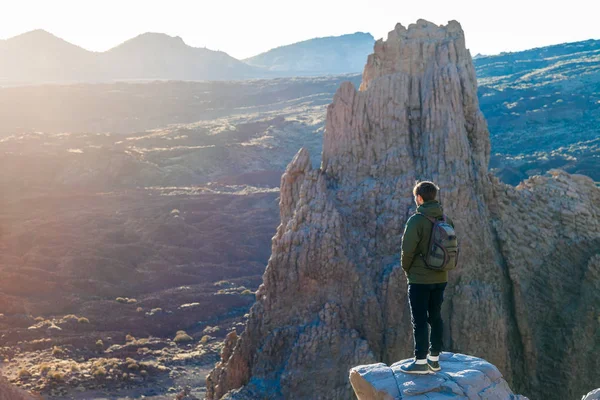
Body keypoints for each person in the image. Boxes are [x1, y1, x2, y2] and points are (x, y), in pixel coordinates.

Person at [399, 181, 454, 374]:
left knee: (420, 320)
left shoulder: (416, 220)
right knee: (436, 316)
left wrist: (407, 270)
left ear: (420, 198)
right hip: (441, 278)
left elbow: (407, 251)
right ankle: (435, 360)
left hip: (420, 279)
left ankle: (420, 362)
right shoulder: (446, 219)